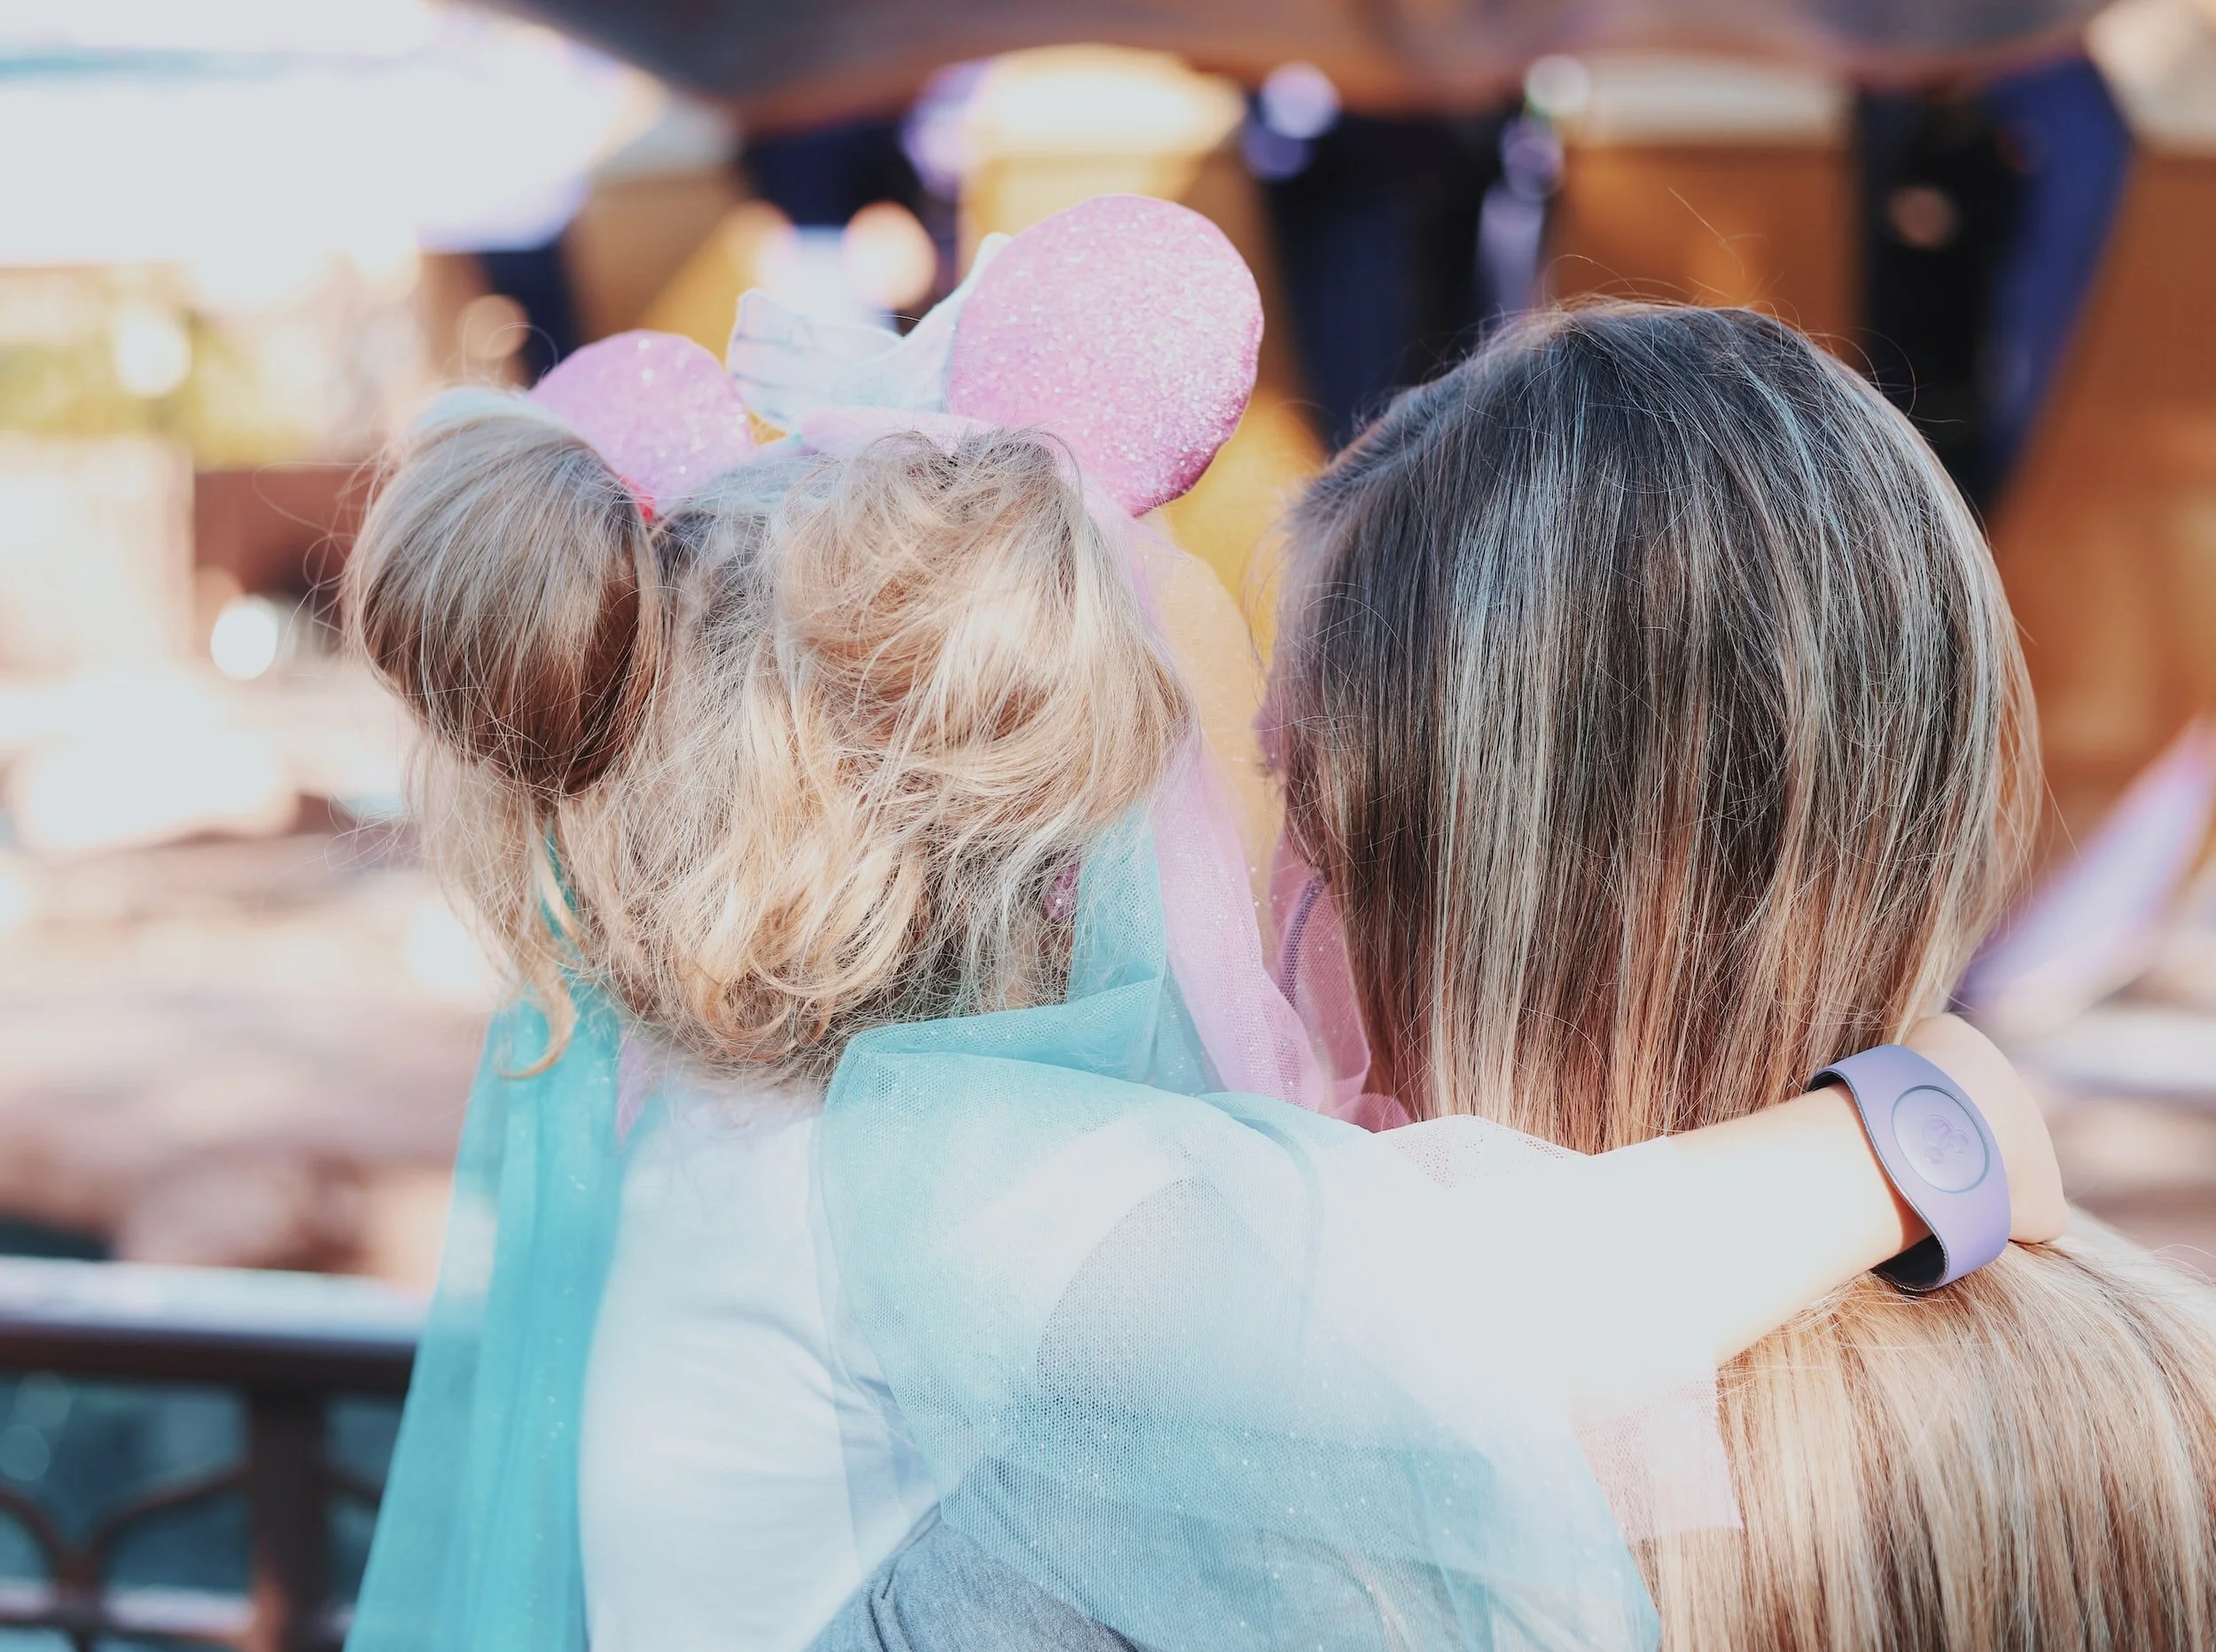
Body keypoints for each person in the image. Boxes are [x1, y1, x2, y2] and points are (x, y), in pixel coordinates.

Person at [339, 202, 2063, 1652]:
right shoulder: (949, 1174)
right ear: (1050, 858)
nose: (1235, 883)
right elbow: (1501, 1318)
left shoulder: (731, 1134)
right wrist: (1915, 1130)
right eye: (1205, 811)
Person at [1262, 302, 2216, 1648]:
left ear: (1492, 896)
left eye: (1301, 807)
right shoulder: (2165, 1419)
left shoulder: (1278, 1471)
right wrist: (1917, 1135)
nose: (1257, 911)